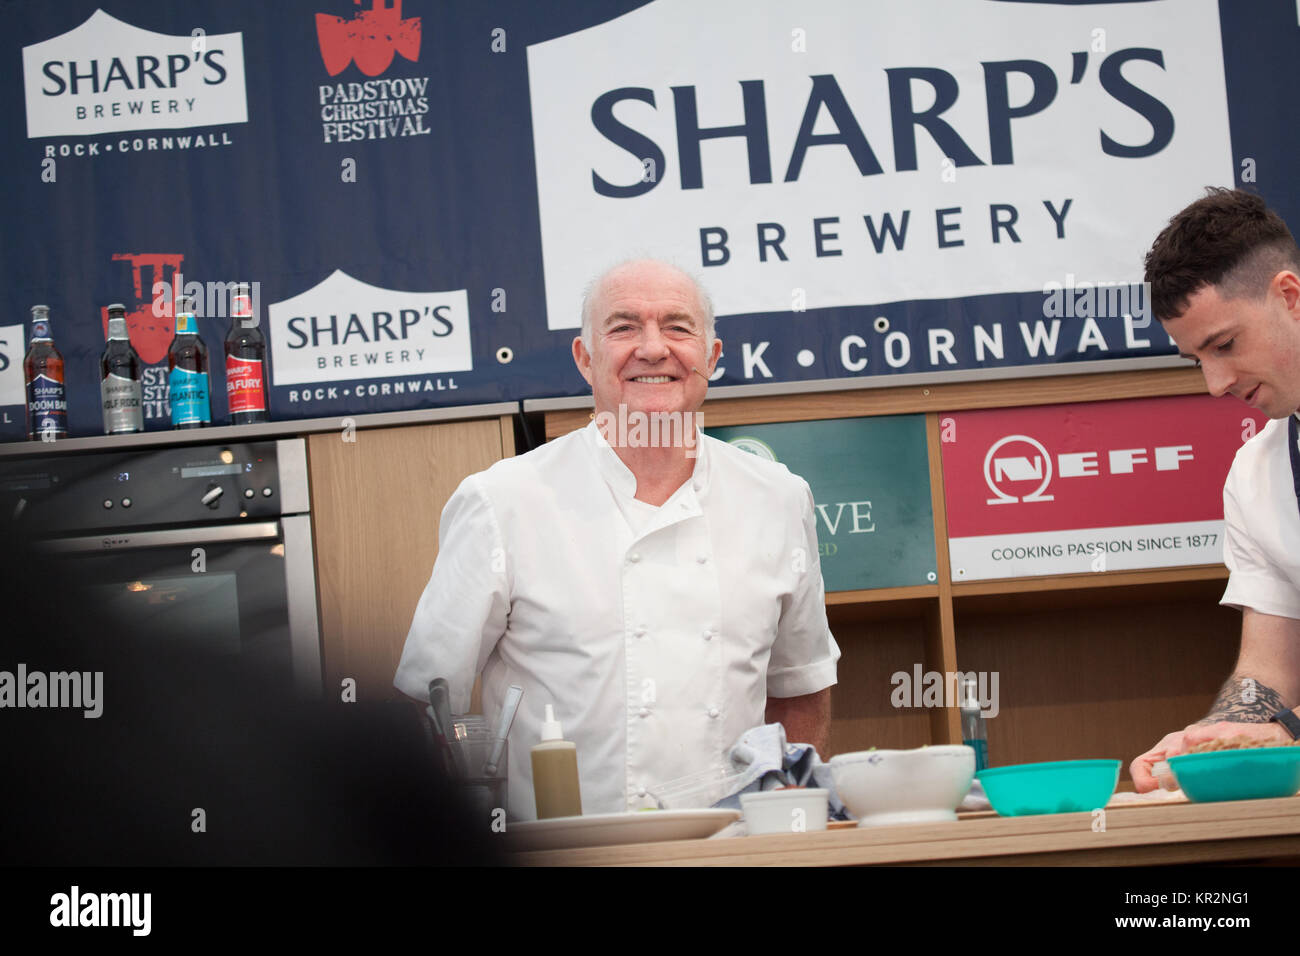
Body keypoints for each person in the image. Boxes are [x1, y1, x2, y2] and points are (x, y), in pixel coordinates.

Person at [395, 258, 840, 820]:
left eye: (678, 327)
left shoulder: (779, 497)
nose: (653, 349)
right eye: (624, 327)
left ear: (712, 357)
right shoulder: (502, 502)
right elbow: (426, 704)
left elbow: (800, 686)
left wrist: (789, 824)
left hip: (735, 852)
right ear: (585, 359)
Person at [1130, 187, 1300, 791]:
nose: (1215, 383)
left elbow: (1286, 721)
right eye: (1195, 359)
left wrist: (1287, 729)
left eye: (1225, 345)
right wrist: (1216, 737)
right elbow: (1268, 673)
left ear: (1289, 297)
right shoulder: (1256, 472)